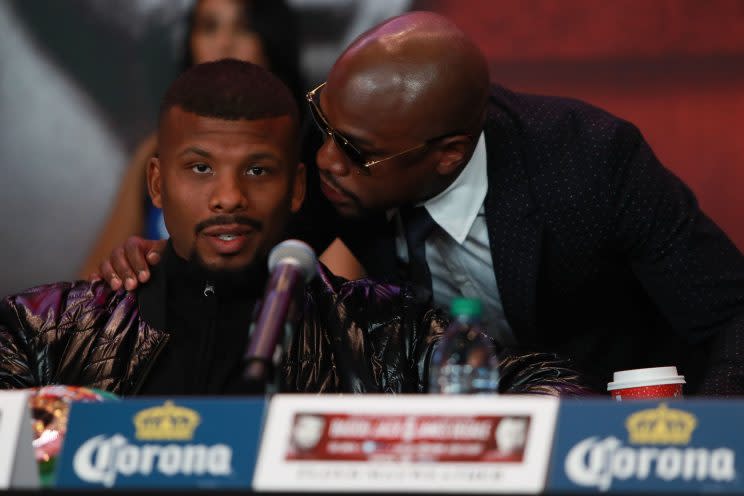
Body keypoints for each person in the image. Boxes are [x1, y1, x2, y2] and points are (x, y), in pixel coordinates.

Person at [96, 12, 744, 395]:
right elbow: (259, 251)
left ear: (447, 154)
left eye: (355, 150)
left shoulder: (589, 163)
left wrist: (698, 443)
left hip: (599, 420)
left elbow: (730, 315)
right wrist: (163, 261)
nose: (325, 160)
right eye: (325, 124)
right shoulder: (345, 152)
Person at [0, 60, 589, 397]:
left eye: (258, 170)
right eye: (200, 168)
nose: (229, 196)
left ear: (298, 189)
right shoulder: (46, 330)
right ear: (157, 185)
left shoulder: (380, 328)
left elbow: (546, 386)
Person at [77, 0, 324, 279]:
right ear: (156, 181)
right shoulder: (155, 148)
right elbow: (91, 285)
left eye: (243, 28)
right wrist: (131, 267)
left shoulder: (321, 155)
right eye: (209, 27)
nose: (224, 43)